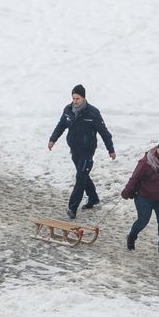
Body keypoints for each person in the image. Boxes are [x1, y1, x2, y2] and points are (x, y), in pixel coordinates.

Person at [47, 84, 115, 220]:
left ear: (84, 98)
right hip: (74, 149)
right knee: (83, 174)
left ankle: (72, 207)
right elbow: (61, 125)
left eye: (77, 98)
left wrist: (110, 149)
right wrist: (52, 139)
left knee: (80, 177)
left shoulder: (92, 113)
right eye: (73, 98)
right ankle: (94, 199)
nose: (75, 101)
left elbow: (104, 132)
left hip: (87, 150)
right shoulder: (68, 110)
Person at [121, 142, 159, 256]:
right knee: (143, 221)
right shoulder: (146, 163)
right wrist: (126, 192)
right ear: (158, 154)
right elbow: (135, 178)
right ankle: (131, 237)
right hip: (144, 197)